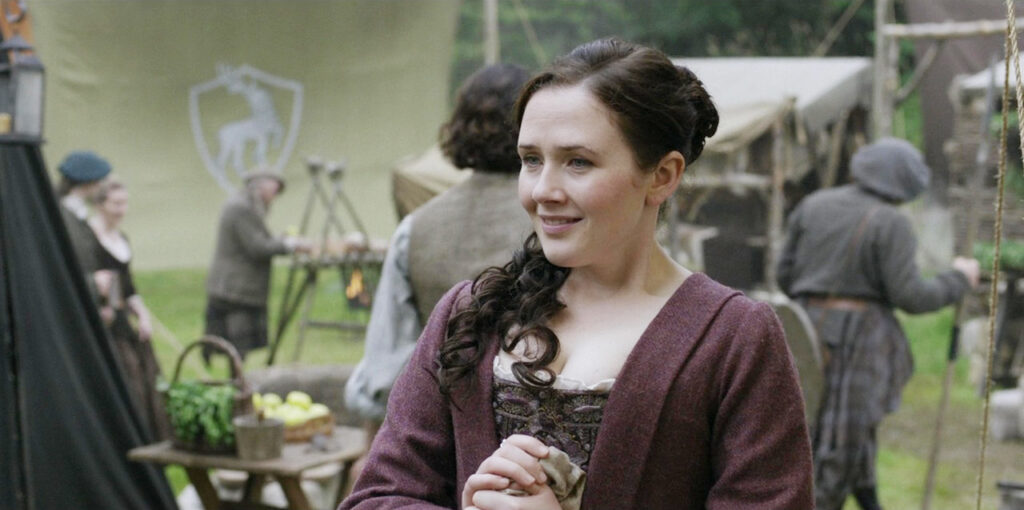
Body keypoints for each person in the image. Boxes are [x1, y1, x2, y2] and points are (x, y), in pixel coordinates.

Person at [342, 38, 813, 510]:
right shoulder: (470, 316)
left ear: (662, 176)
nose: (542, 190)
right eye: (531, 160)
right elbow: (377, 497)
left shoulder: (733, 339)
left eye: (578, 162)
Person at [776, 137, 981, 510]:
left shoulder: (813, 205)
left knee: (810, 429)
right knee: (842, 444)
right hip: (859, 343)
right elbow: (911, 296)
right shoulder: (891, 222)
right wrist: (959, 279)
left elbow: (784, 276)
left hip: (803, 334)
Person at [345, 63, 533, 430]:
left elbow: (385, 363)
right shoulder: (558, 223)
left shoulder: (416, 228)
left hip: (440, 428)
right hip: (533, 431)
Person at [88, 177, 172, 441]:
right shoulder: (88, 239)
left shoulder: (121, 238)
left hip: (122, 318)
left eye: (124, 203)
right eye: (116, 203)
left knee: (146, 377)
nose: (122, 209)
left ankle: (150, 436)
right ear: (100, 204)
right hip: (102, 322)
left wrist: (143, 316)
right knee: (127, 376)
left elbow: (127, 286)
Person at [204, 170, 309, 362]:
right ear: (263, 185)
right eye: (275, 191)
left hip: (234, 286)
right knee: (236, 343)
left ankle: (236, 375)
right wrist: (290, 244)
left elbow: (256, 240)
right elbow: (258, 247)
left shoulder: (245, 204)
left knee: (236, 346)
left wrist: (280, 240)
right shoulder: (242, 208)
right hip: (235, 289)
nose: (275, 197)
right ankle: (236, 377)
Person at [55, 150, 114, 298]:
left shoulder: (76, 212)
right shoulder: (63, 216)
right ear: (90, 183)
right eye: (100, 181)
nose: (102, 187)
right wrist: (93, 282)